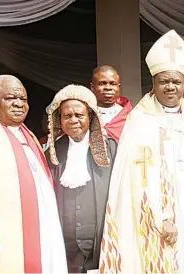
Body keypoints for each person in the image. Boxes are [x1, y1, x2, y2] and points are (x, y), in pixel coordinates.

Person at [98, 30, 184, 274]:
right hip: (152, 219)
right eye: (163, 81)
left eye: (176, 82)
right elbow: (135, 180)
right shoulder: (139, 119)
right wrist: (162, 217)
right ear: (154, 83)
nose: (170, 87)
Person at [0, 75, 67, 273]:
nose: (19, 104)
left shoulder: (26, 134)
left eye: (24, 99)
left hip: (43, 236)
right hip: (5, 243)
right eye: (11, 98)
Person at [45, 84, 117, 273]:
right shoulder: (53, 152)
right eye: (67, 116)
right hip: (64, 247)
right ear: (59, 120)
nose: (74, 120)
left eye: (79, 115)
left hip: (100, 245)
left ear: (90, 117)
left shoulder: (110, 149)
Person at [90, 65, 133, 142]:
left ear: (118, 87)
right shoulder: (85, 114)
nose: (108, 88)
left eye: (113, 84)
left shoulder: (131, 116)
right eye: (102, 83)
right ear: (92, 87)